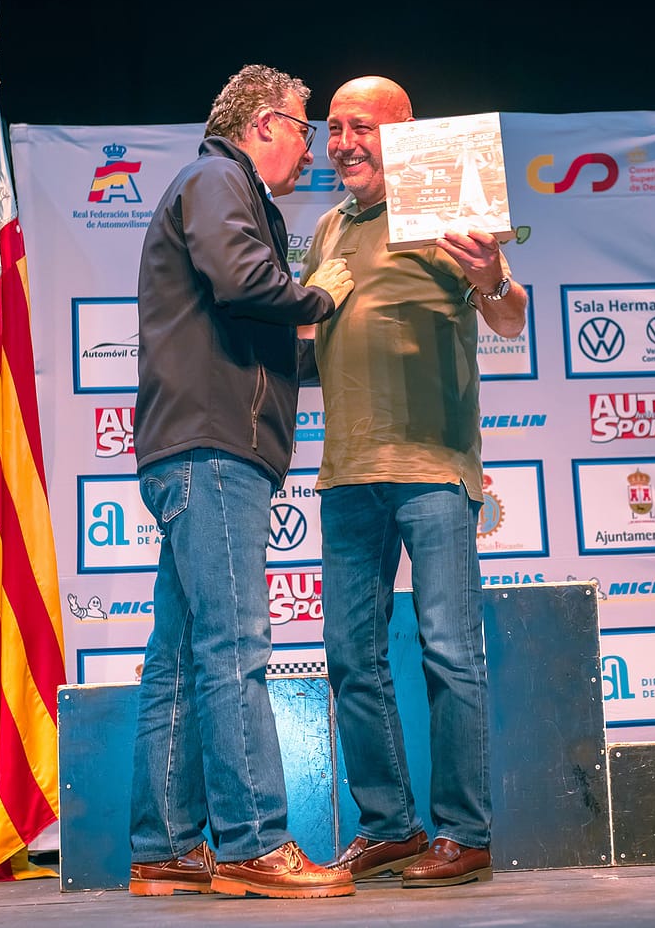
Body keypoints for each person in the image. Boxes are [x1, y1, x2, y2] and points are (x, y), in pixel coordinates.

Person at [127, 65, 356, 899]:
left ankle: (163, 846)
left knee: (181, 654)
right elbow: (243, 282)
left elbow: (248, 330)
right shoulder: (220, 179)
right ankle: (254, 842)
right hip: (213, 449)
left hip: (196, 447)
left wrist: (323, 341)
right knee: (233, 649)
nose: (312, 147)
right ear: (262, 123)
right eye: (303, 126)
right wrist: (319, 297)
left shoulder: (219, 188)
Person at [307, 77, 527, 887]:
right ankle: (390, 826)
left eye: (360, 128)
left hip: (432, 471)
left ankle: (465, 832)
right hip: (345, 474)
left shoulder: (446, 211)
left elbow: (509, 316)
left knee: (448, 650)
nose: (342, 144)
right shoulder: (328, 226)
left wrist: (493, 274)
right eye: (333, 129)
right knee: (348, 656)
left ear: (403, 134)